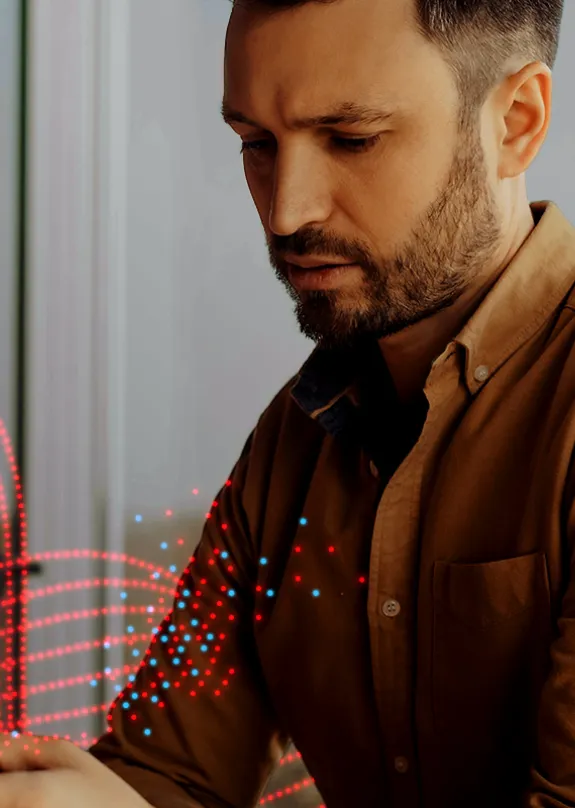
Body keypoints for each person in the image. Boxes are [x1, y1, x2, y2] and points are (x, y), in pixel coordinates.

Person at [1, 0, 573, 805]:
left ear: (515, 121)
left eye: (351, 140)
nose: (285, 209)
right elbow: (167, 776)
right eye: (256, 145)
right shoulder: (296, 436)